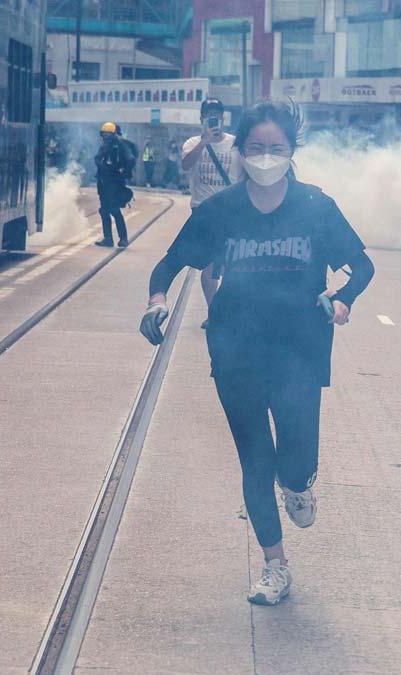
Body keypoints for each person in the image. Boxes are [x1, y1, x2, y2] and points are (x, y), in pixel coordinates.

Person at [139, 100, 375, 606]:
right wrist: (156, 305)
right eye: (256, 149)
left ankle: (299, 483)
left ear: (291, 151)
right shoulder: (222, 210)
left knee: (295, 460)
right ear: (241, 152)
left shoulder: (315, 206)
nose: (266, 158)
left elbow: (362, 266)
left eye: (277, 148)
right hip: (236, 350)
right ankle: (275, 565)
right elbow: (169, 265)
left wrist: (340, 298)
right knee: (254, 461)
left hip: (301, 353)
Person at [182, 98, 245, 330]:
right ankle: (214, 312)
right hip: (203, 211)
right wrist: (203, 141)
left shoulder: (236, 144)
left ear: (223, 117)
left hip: (231, 211)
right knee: (209, 267)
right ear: (201, 118)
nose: (213, 118)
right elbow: (186, 165)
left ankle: (227, 310)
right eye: (208, 114)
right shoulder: (192, 143)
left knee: (232, 266)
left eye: (216, 114)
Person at [94, 122, 132, 247]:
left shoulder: (120, 145)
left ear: (113, 134)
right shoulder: (103, 146)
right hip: (104, 184)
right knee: (104, 211)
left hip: (115, 184)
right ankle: (108, 239)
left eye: (108, 134)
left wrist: (122, 171)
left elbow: (130, 159)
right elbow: (98, 160)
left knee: (115, 210)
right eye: (104, 134)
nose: (106, 137)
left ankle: (123, 238)